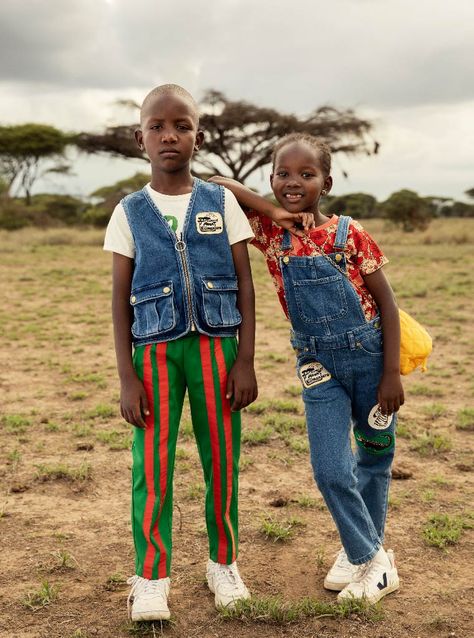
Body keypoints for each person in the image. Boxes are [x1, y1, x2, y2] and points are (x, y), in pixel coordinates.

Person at [209, 132, 404, 604]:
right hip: (316, 364)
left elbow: (388, 304)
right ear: (271, 179)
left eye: (306, 174)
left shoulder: (349, 233)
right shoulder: (270, 232)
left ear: (327, 181)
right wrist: (272, 210)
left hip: (372, 359)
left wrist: (391, 373)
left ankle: (360, 551)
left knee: (373, 459)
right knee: (329, 467)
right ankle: (373, 560)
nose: (293, 182)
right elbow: (215, 183)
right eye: (283, 174)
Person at [103, 84, 257, 621]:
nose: (170, 135)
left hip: (218, 348)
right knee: (153, 464)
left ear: (197, 133)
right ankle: (150, 577)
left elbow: (244, 281)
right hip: (152, 355)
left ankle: (223, 563)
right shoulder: (129, 211)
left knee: (222, 459)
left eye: (182, 126)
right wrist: (126, 376)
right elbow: (119, 300)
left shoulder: (222, 202)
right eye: (157, 127)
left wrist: (246, 360)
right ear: (139, 136)